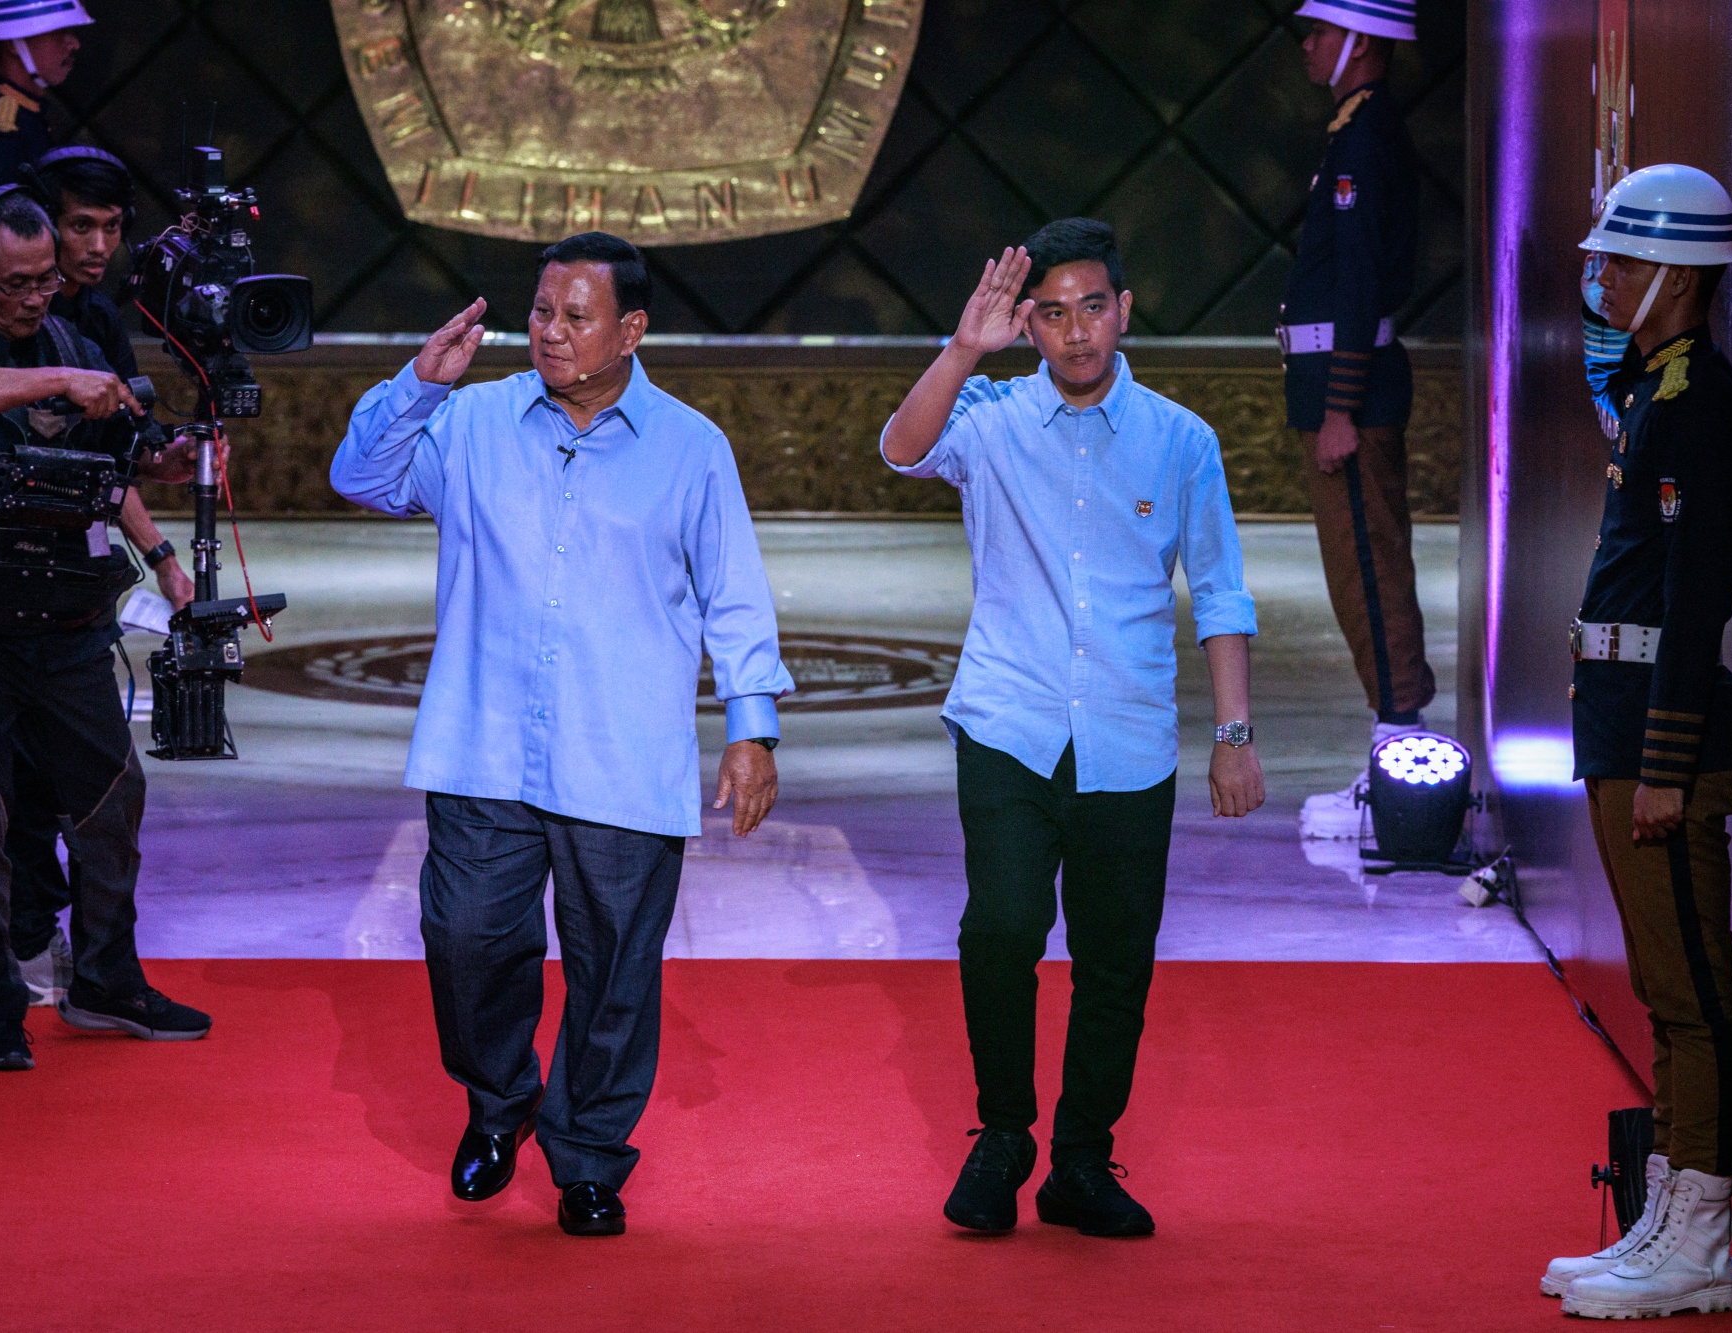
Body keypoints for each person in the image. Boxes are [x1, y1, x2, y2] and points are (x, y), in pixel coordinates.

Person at [331, 231, 792, 1237]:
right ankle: (498, 1104)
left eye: (575, 316)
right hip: (482, 743)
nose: (549, 331)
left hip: (621, 753)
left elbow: (735, 595)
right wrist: (419, 384)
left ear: (631, 330)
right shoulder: (471, 421)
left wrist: (751, 728)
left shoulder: (689, 447)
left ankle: (587, 1154)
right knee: (464, 938)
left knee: (614, 971)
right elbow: (360, 476)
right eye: (540, 311)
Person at [881, 220, 1265, 1237]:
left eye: (1092, 307)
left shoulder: (1180, 440)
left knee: (1114, 961)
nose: (1076, 331)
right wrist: (963, 348)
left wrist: (1233, 734)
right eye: (1051, 314)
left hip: (1128, 736)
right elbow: (901, 449)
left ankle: (1081, 1161)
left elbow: (1220, 591)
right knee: (1001, 928)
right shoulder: (989, 415)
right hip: (1007, 722)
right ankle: (1004, 1134)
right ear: (1028, 326)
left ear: (1123, 310)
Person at [0, 186, 211, 1071]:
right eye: (15, 283)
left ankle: (106, 979)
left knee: (112, 797)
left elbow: (118, 466)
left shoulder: (72, 340)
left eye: (45, 281)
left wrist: (166, 494)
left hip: (70, 625)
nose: (35, 299)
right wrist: (60, 381)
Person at [1541, 164, 1732, 1322]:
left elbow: (1694, 597)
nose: (1602, 280)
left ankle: (1700, 1235)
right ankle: (1665, 1211)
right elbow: (1602, 359)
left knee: (1691, 992)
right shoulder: (1653, 387)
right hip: (1618, 719)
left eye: (1620, 262)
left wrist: (1665, 765)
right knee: (1659, 988)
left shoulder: (1696, 403)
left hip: (1659, 735)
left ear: (1675, 274)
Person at [1281, 0, 1434, 841]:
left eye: (1322, 30)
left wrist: (1339, 404)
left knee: (1369, 575)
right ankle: (1394, 751)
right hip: (1337, 387)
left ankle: (1401, 770)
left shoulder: (1366, 139)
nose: (1308, 44)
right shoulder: (1352, 132)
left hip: (1352, 395)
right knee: (1359, 574)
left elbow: (1361, 280)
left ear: (1362, 41)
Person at [0, 0, 92, 296]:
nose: (73, 43)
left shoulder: (27, 117)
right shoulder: (0, 131)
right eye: (57, 32)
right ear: (13, 43)